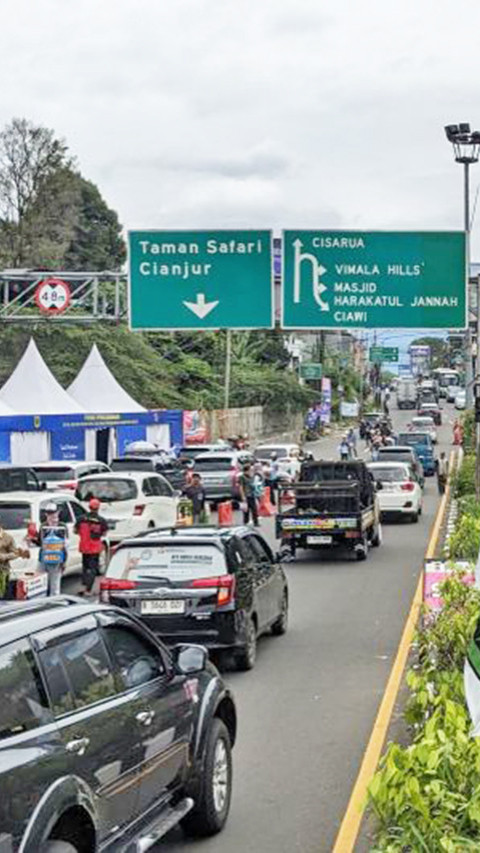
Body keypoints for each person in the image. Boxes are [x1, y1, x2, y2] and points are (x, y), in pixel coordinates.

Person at [75, 498, 109, 596]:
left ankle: (83, 586)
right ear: (98, 508)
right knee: (93, 569)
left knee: (85, 567)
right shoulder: (101, 520)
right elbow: (104, 533)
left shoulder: (81, 519)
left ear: (89, 507)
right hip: (94, 547)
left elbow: (75, 531)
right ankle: (88, 589)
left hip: (84, 546)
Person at [37, 503, 68, 597]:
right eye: (49, 513)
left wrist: (65, 561)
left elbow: (65, 544)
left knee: (55, 584)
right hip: (44, 557)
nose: (51, 515)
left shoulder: (62, 527)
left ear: (58, 513)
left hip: (57, 558)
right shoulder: (43, 526)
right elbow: (40, 542)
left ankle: (55, 603)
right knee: (41, 582)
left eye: (53, 513)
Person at [0, 525, 28, 599]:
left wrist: (4, 556)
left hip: (2, 570)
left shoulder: (7, 538)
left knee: (2, 593)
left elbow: (15, 553)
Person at [238, 462, 259, 527]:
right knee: (246, 510)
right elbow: (241, 487)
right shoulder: (242, 477)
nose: (251, 471)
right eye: (250, 470)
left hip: (252, 495)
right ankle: (245, 522)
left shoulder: (252, 476)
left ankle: (256, 522)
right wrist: (243, 496)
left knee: (254, 509)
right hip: (246, 495)